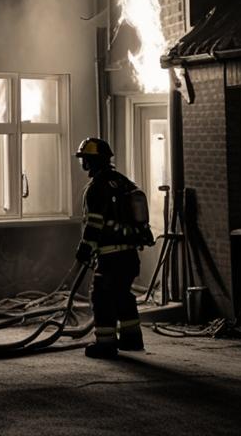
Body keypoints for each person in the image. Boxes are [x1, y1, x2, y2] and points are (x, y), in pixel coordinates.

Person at [74, 137, 154, 359]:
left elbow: (94, 224)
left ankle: (106, 344)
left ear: (90, 161)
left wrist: (85, 248)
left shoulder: (96, 188)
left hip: (111, 257)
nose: (83, 164)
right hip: (129, 256)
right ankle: (132, 338)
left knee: (101, 297)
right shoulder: (124, 182)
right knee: (122, 295)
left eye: (84, 159)